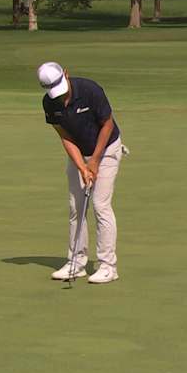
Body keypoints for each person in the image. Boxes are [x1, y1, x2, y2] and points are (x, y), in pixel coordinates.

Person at [38, 62, 127, 284]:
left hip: (106, 149)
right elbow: (65, 136)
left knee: (99, 205)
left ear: (66, 74)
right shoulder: (50, 103)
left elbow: (107, 124)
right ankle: (77, 262)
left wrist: (95, 161)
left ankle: (108, 266)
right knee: (76, 207)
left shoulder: (90, 90)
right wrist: (82, 166)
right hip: (80, 152)